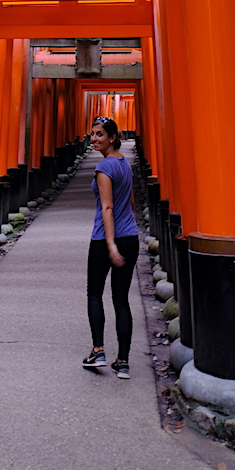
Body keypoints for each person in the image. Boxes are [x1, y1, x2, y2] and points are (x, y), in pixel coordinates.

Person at [82, 116, 139, 379]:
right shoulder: (124, 163)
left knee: (95, 294)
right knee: (121, 299)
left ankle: (98, 351)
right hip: (130, 236)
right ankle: (123, 362)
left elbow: (107, 207)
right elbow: (131, 201)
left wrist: (110, 244)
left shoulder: (104, 167)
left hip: (106, 239)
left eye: (100, 134)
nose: (94, 138)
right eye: (93, 134)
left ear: (112, 137)